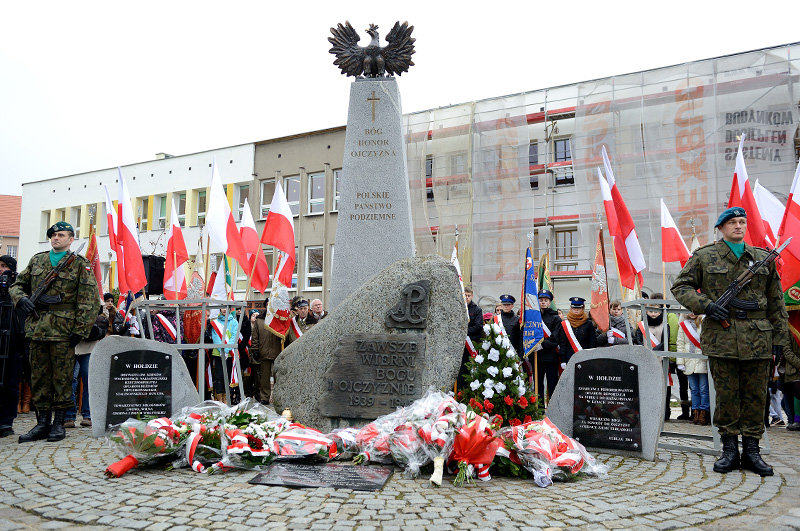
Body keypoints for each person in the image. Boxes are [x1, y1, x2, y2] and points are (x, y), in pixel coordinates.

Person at [672, 207, 790, 476]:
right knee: (726, 396)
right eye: (733, 222)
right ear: (721, 228)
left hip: (758, 338)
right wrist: (707, 306)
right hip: (722, 337)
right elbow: (681, 286)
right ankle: (728, 450)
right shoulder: (705, 256)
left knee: (756, 396)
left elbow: (776, 301)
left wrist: (780, 339)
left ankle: (752, 451)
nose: (739, 226)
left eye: (742, 222)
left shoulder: (762, 258)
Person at [11, 221, 101, 443]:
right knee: (39, 378)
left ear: (71, 240)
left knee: (62, 379)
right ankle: (42, 423)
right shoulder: (37, 260)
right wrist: (20, 299)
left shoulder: (80, 264)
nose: (56, 238)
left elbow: (89, 300)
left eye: (61, 235)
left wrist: (80, 330)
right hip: (37, 327)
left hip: (63, 330)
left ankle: (59, 424)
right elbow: (17, 284)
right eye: (53, 235)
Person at [633, 293, 681, 420]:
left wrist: (653, 351)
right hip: (644, 362)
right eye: (650, 311)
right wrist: (645, 352)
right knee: (646, 388)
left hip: (660, 362)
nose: (653, 314)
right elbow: (638, 341)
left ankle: (664, 412)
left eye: (656, 311)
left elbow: (665, 343)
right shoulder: (641, 326)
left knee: (662, 388)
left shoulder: (665, 325)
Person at [0, 255, 24, 438]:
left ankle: (6, 421)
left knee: (10, 383)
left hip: (14, 343)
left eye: (4, 266)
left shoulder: (18, 289)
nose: (1, 270)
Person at [677, 314, 710, 425]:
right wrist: (680, 361)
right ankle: (695, 413)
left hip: (702, 361)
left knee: (704, 389)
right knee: (694, 389)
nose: (691, 313)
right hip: (689, 361)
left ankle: (703, 413)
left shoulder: (705, 322)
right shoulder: (683, 325)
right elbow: (680, 344)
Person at [554, 297, 597, 366]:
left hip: (584, 358)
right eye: (574, 308)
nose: (576, 310)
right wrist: (563, 360)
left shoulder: (588, 323)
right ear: (571, 308)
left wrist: (591, 357)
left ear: (583, 308)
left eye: (579, 308)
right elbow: (562, 343)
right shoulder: (565, 324)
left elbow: (592, 342)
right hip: (569, 358)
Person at [535, 290, 561, 402]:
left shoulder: (556, 318)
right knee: (537, 386)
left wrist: (541, 345)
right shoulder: (534, 317)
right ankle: (539, 410)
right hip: (537, 357)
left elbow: (555, 339)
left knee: (552, 384)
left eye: (546, 300)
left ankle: (552, 410)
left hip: (551, 357)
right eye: (541, 300)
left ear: (550, 302)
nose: (543, 302)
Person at [457, 286, 484, 389]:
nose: (467, 297)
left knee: (471, 369)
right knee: (461, 371)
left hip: (472, 343)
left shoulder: (477, 310)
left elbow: (478, 326)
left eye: (469, 295)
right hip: (460, 345)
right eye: (465, 295)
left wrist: (464, 333)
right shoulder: (459, 308)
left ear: (472, 296)